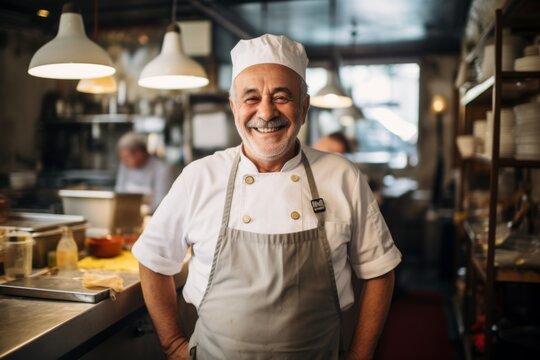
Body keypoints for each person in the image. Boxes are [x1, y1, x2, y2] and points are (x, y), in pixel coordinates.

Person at [132, 34, 401, 360]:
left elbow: (380, 271)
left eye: (282, 96)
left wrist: (360, 355)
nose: (266, 111)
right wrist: (173, 343)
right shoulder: (199, 177)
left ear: (304, 106)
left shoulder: (343, 176)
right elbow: (153, 259)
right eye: (251, 98)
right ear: (233, 106)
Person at [115, 131, 173, 213]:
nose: (124, 162)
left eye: (127, 157)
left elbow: (161, 202)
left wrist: (141, 211)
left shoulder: (161, 169)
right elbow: (119, 193)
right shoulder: (125, 166)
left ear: (139, 153)